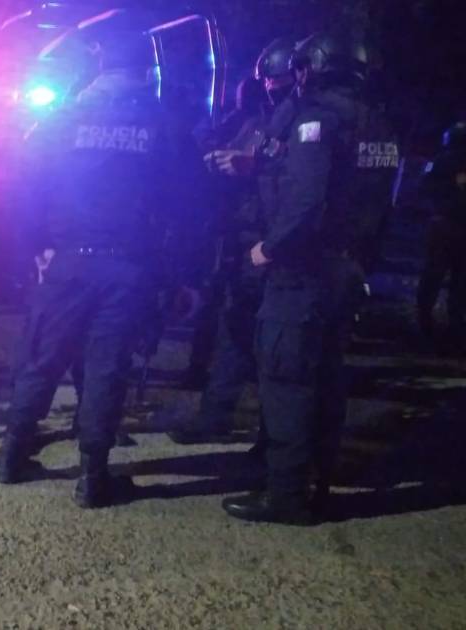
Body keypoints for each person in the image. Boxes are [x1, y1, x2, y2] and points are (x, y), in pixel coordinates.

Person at [0, 46, 196, 508]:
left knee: (42, 359)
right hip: (128, 267)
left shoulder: (64, 119)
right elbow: (185, 205)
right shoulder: (161, 124)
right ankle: (92, 477)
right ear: (144, 73)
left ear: (102, 71)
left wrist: (35, 247)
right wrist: (178, 273)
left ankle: (10, 457)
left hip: (67, 261)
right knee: (107, 369)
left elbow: (23, 185)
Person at [210, 32, 372, 525]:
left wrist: (270, 248)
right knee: (325, 380)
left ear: (312, 68)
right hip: (346, 268)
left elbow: (306, 198)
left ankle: (285, 494)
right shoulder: (375, 122)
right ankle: (317, 481)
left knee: (287, 382)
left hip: (302, 270)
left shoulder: (316, 120)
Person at [169, 40, 297, 445]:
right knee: (234, 329)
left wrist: (252, 166)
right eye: (267, 82)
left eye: (278, 82)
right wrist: (218, 161)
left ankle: (274, 437)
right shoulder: (256, 120)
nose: (271, 89)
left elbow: (302, 181)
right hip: (242, 238)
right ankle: (217, 415)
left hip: (280, 243)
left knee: (277, 345)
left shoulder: (308, 122)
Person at [416, 121, 466, 345]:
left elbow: (424, 188)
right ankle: (455, 324)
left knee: (434, 275)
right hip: (457, 226)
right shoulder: (442, 162)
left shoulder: (439, 161)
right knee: (459, 280)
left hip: (443, 225)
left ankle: (425, 320)